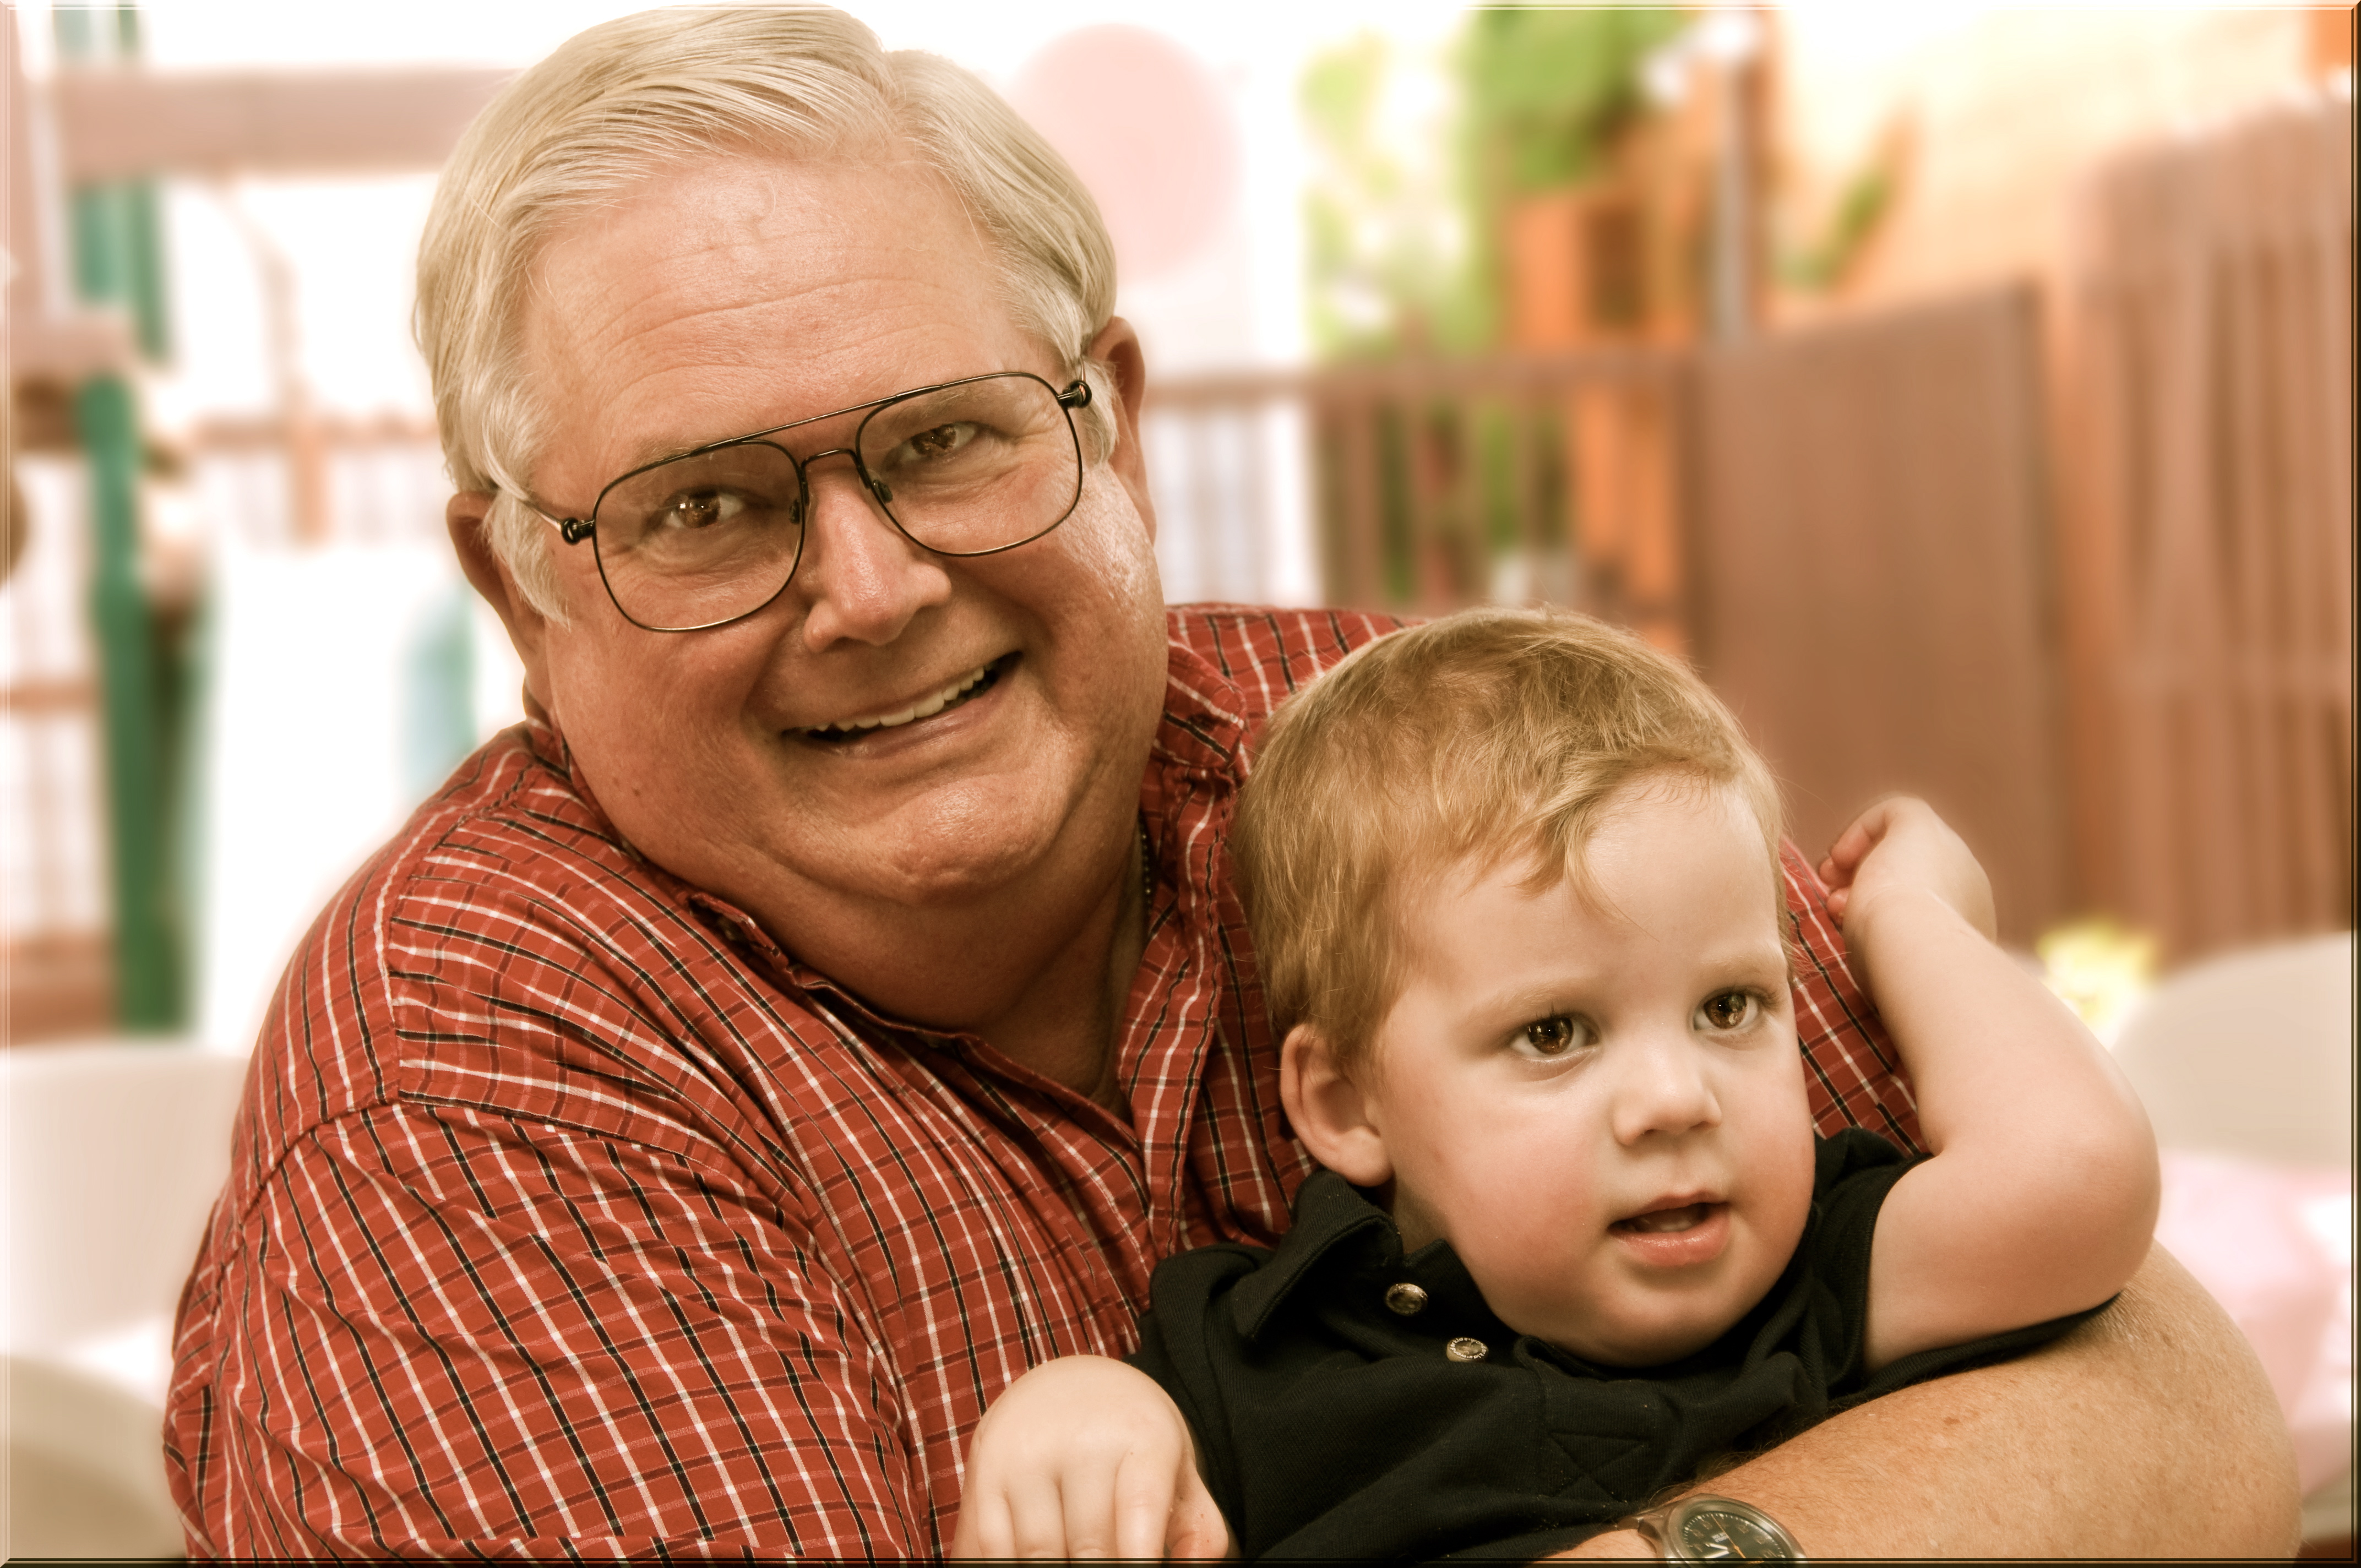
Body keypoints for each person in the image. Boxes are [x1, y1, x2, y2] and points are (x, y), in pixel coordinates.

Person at [163, 7, 2298, 1559]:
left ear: (1111, 420)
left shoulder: (1397, 748)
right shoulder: (470, 1082)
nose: (872, 587)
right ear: (519, 588)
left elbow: (2176, 1412)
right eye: (704, 507)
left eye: (945, 436)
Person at [951, 609, 2160, 1560]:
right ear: (1346, 1106)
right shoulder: (1252, 1360)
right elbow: (1122, 1483)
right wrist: (1078, 1407)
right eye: (1554, 1032)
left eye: (1728, 1007)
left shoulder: (1813, 1280)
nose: (1675, 1099)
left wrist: (1911, 915)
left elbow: (2075, 1177)